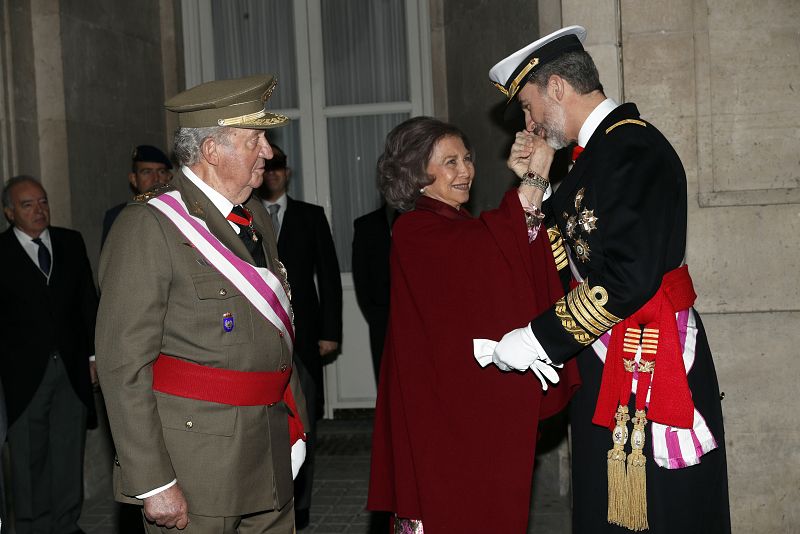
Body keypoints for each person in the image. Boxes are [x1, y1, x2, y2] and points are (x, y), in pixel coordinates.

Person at [487, 25, 730, 533]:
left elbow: (626, 279)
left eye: (529, 106)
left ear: (557, 88)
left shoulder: (631, 148)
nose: (528, 123)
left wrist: (538, 339)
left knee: (660, 512)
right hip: (609, 352)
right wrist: (535, 179)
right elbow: (563, 260)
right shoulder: (591, 158)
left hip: (649, 351)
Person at [96, 74, 309, 534]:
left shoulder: (255, 221)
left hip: (269, 450)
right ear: (212, 150)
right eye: (257, 139)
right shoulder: (149, 227)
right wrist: (153, 482)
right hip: (198, 468)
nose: (269, 153)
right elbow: (122, 365)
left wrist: (296, 426)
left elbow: (274, 335)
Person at [366, 116, 580, 533]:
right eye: (449, 162)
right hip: (438, 419)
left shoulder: (454, 223)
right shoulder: (414, 229)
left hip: (462, 411)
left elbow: (503, 257)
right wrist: (534, 179)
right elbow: (486, 253)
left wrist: (529, 185)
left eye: (466, 158)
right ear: (416, 174)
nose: (465, 170)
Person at [0, 175, 99, 534]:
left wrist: (93, 357)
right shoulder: (2, 252)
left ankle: (66, 523)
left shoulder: (70, 242)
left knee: (68, 451)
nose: (39, 210)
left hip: (71, 370)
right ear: (10, 213)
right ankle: (32, 526)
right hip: (23, 377)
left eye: (42, 201)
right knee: (29, 458)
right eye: (27, 205)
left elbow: (88, 302)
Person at [258, 145, 342, 529]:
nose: (272, 174)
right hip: (261, 339)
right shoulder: (244, 214)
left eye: (279, 168)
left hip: (305, 340)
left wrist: (330, 332)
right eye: (267, 167)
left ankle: (302, 506)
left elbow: (328, 276)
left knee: (304, 427)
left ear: (287, 173)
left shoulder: (311, 216)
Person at [351, 203, 394, 382]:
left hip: (417, 313)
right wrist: (374, 313)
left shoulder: (421, 220)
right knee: (385, 374)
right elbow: (361, 275)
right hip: (381, 313)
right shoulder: (365, 224)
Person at [100, 144, 173, 247]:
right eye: (147, 172)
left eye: (161, 172)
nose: (156, 178)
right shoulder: (118, 216)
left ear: (169, 177)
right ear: (134, 179)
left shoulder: (179, 212)